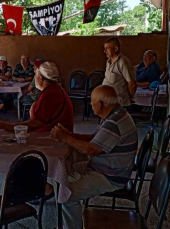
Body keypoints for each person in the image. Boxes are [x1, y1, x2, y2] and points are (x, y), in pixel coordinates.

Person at [50, 85, 138, 229]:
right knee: (61, 174)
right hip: (103, 168)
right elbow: (93, 138)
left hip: (111, 176)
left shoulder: (114, 123)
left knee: (66, 195)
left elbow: (91, 149)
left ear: (100, 104)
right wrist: (69, 135)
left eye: (92, 101)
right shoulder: (115, 114)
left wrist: (65, 138)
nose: (90, 104)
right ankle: (67, 221)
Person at [0, 61, 74, 133]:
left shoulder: (49, 94)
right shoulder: (53, 88)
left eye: (35, 74)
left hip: (58, 133)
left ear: (40, 78)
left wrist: (10, 126)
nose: (34, 77)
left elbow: (37, 122)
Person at [102, 37, 137, 107]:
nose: (105, 51)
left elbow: (132, 84)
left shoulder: (123, 62)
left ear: (116, 49)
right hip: (107, 101)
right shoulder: (108, 62)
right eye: (104, 48)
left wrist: (129, 97)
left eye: (107, 48)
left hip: (118, 103)